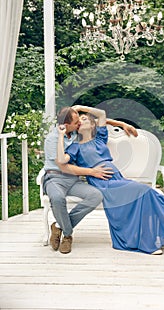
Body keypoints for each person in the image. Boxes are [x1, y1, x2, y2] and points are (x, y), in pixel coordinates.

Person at [57, 105, 164, 256]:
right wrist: (60, 135)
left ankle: (162, 237)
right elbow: (61, 160)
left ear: (93, 125)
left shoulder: (100, 138)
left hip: (117, 178)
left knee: (155, 196)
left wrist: (79, 107)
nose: (80, 121)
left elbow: (102, 113)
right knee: (146, 191)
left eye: (84, 119)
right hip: (103, 183)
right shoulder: (75, 147)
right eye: (79, 120)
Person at [44, 106, 138, 254]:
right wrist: (92, 172)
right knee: (57, 198)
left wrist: (121, 124)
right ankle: (68, 235)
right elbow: (63, 167)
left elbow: (98, 120)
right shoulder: (52, 139)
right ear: (66, 125)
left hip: (74, 180)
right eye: (76, 122)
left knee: (96, 195)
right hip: (55, 178)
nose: (79, 124)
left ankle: (59, 226)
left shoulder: (74, 132)